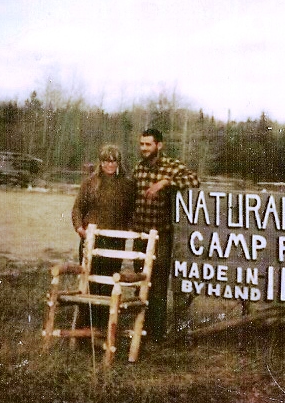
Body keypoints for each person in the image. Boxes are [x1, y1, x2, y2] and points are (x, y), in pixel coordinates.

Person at [131, 128, 200, 343]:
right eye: (142, 144)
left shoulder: (172, 166)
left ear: (159, 145)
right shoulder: (138, 168)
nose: (144, 148)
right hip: (140, 235)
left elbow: (194, 181)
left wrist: (166, 182)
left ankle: (156, 332)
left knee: (159, 282)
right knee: (141, 280)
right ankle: (141, 326)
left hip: (162, 235)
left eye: (148, 144)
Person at [71, 144, 136, 326]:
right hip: (91, 240)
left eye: (113, 161)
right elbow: (77, 208)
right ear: (101, 162)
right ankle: (85, 325)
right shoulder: (90, 183)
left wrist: (130, 228)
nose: (110, 164)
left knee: (108, 283)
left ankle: (104, 325)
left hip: (115, 241)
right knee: (89, 281)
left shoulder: (127, 185)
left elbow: (131, 212)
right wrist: (79, 228)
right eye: (106, 161)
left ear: (118, 162)